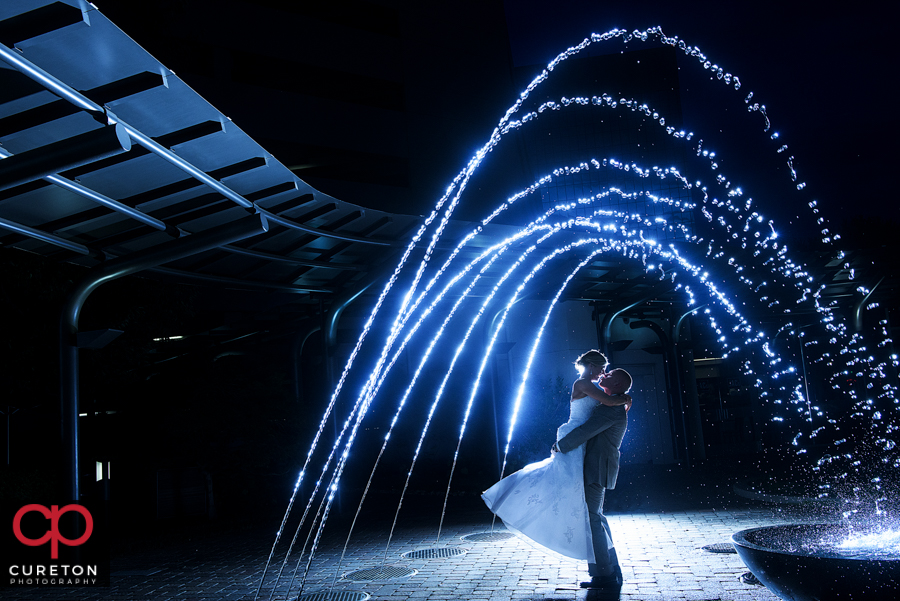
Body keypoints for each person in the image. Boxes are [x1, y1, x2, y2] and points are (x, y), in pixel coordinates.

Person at [482, 350, 631, 589]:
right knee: (591, 514)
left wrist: (561, 446)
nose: (604, 372)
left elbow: (588, 429)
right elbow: (595, 417)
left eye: (608, 372)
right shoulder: (589, 388)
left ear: (617, 384)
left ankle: (606, 573)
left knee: (592, 516)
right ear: (592, 366)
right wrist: (625, 399)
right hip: (583, 453)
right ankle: (607, 570)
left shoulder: (610, 406)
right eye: (603, 368)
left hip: (587, 456)